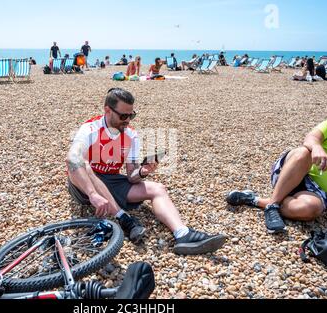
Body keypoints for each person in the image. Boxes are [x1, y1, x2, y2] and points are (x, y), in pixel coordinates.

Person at [66, 88, 227, 254]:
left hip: (111, 182)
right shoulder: (90, 128)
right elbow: (72, 159)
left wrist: (143, 171)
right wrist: (93, 194)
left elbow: (131, 176)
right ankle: (123, 218)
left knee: (158, 189)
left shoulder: (131, 135)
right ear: (107, 110)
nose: (127, 120)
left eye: (131, 115)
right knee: (83, 164)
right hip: (84, 185)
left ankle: (183, 234)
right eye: (123, 116)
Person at [227, 119, 327, 234]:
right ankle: (273, 204)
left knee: (310, 209)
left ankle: (255, 200)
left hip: (318, 193)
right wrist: (316, 147)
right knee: (303, 152)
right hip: (293, 172)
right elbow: (311, 138)